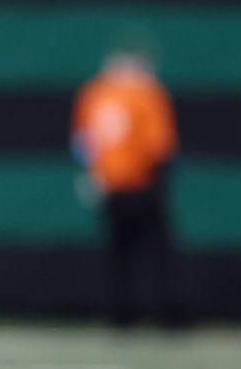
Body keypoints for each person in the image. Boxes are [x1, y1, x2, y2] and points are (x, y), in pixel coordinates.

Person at [71, 47, 188, 330]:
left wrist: (94, 174)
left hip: (111, 186)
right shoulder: (146, 94)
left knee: (119, 256)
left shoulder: (94, 92)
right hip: (142, 183)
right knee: (158, 254)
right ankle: (169, 316)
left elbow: (81, 141)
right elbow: (159, 145)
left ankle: (121, 317)